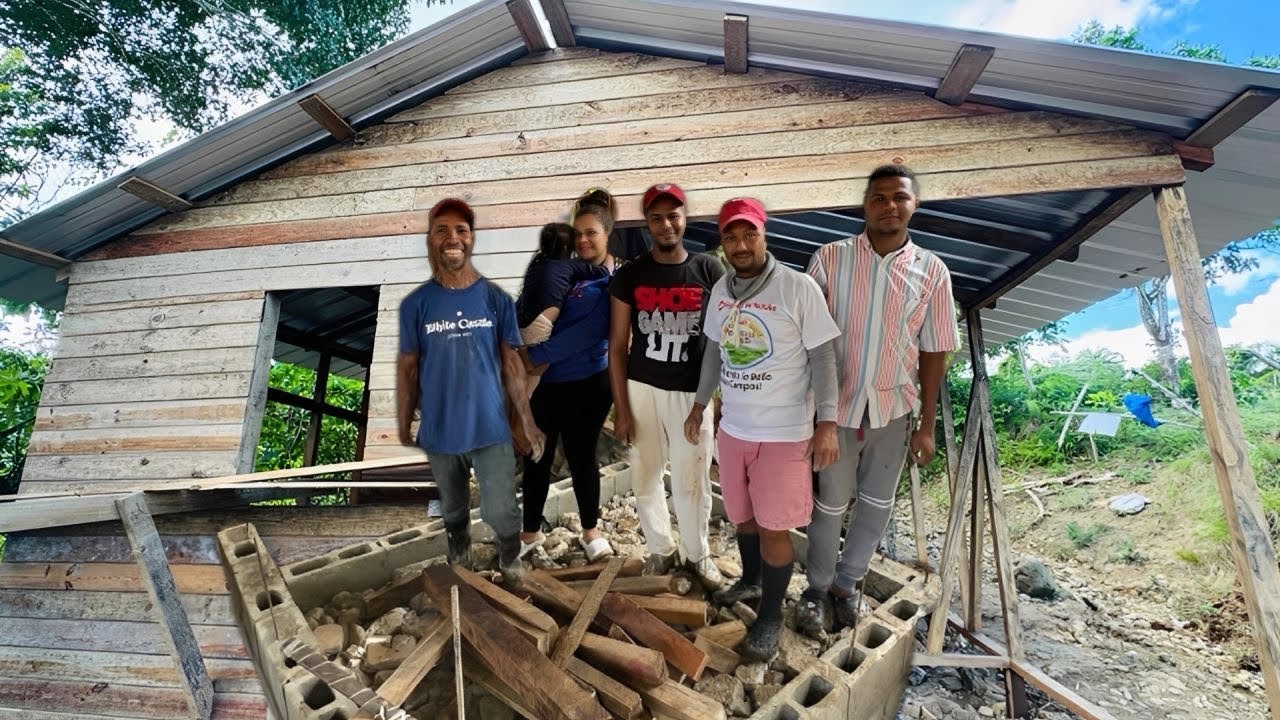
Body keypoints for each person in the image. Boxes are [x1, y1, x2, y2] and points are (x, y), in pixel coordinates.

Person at [796, 165, 960, 637]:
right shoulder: (829, 259)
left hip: (893, 410)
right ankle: (816, 589)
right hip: (836, 410)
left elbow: (934, 350)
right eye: (879, 197)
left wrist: (926, 424)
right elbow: (811, 341)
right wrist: (814, 414)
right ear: (865, 204)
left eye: (899, 197)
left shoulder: (932, 271)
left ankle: (847, 588)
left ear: (914, 204)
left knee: (876, 505)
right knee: (829, 502)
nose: (890, 205)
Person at [684, 197, 841, 661]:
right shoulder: (721, 290)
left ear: (763, 234)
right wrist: (699, 405)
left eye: (748, 233)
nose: (740, 245)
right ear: (722, 244)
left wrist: (827, 423)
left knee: (775, 530)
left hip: (784, 434)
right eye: (730, 237)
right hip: (734, 428)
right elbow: (714, 351)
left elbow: (823, 357)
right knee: (743, 517)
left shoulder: (798, 288)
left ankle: (771, 615)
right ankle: (751, 582)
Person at [396, 197, 546, 583]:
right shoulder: (416, 305)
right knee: (453, 509)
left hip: (490, 427)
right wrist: (403, 422)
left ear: (472, 239)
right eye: (442, 230)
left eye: (461, 230)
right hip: (441, 431)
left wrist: (527, 422)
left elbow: (513, 364)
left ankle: (510, 562)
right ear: (430, 239)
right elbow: (409, 366)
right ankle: (460, 561)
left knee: (501, 511)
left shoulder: (496, 300)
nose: (453, 237)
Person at [608, 183, 726, 588]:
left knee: (692, 478)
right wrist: (621, 409)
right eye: (656, 218)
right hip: (643, 388)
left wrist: (713, 398)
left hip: (691, 393)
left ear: (684, 217)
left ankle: (698, 555)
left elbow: (720, 339)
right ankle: (660, 548)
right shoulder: (631, 275)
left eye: (672, 215)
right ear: (647, 224)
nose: (665, 224)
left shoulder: (709, 269)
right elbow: (618, 346)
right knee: (645, 473)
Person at [518, 190, 619, 563]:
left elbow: (593, 329)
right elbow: (528, 303)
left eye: (591, 233)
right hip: (545, 384)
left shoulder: (611, 279)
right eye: (578, 233)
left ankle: (591, 532)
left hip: (588, 383)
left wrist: (536, 355)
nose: (583, 240)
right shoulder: (560, 267)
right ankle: (529, 534)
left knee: (581, 456)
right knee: (536, 455)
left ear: (607, 234)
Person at [515, 222, 609, 346]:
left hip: (520, 320)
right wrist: (608, 257)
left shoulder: (537, 262)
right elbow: (602, 272)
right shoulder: (569, 265)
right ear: (566, 248)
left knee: (525, 356)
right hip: (539, 324)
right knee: (541, 361)